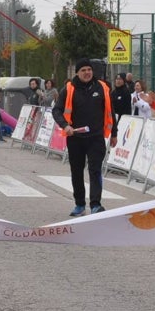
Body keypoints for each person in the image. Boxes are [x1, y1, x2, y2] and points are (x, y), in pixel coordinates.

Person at [53, 59, 117, 217]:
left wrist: (114, 133)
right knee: (76, 171)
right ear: (77, 72)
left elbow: (110, 110)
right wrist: (65, 125)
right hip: (75, 138)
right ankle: (79, 204)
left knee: (95, 170)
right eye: (83, 70)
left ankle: (96, 204)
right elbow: (57, 110)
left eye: (89, 69)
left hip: (96, 137)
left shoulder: (102, 87)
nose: (87, 72)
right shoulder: (69, 89)